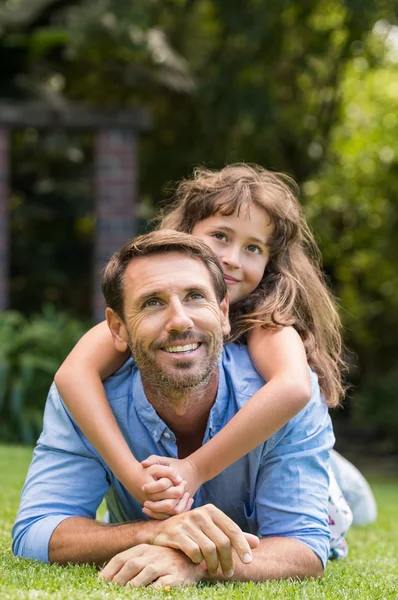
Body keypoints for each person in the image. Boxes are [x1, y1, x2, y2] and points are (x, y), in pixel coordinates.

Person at [54, 164, 353, 553]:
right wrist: (134, 479)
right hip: (195, 490)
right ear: (185, 235)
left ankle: (346, 481)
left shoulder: (270, 322)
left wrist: (193, 469)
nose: (231, 259)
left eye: (253, 248)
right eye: (220, 236)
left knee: (334, 498)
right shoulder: (147, 322)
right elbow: (73, 374)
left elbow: (294, 388)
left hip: (308, 490)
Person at [13, 230, 333, 587]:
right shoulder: (89, 396)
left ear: (224, 312)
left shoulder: (284, 391)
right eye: (152, 302)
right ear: (117, 328)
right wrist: (156, 532)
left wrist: (195, 563)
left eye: (195, 296)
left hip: (318, 481)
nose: (180, 321)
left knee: (340, 508)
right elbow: (36, 532)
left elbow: (305, 547)